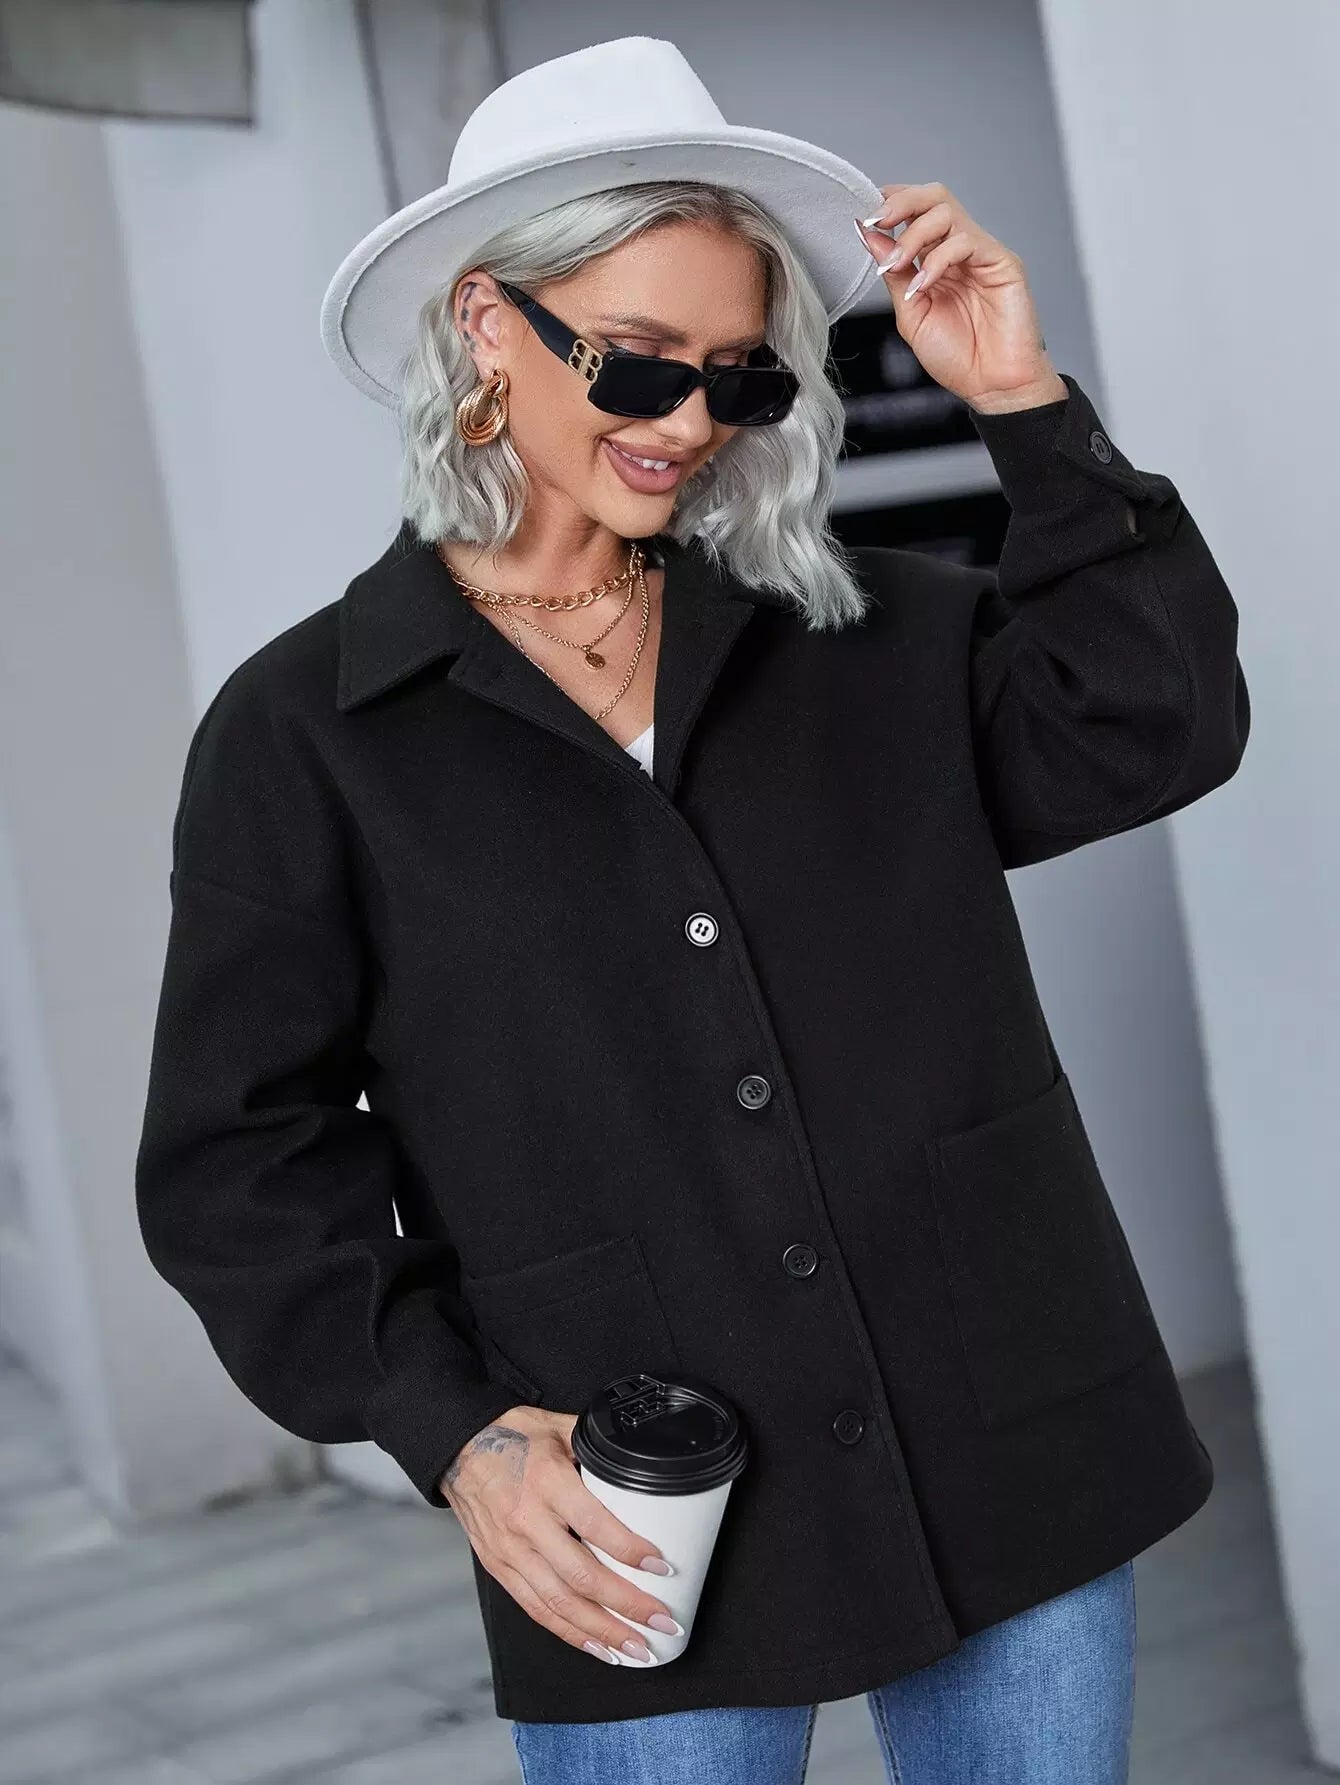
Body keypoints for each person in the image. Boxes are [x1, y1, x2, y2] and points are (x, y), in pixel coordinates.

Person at [134, 34, 1250, 1785]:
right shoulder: (306, 737)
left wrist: (1025, 405)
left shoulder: (868, 637)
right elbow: (238, 1160)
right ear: (488, 325)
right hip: (639, 1506)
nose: (686, 426)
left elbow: (1156, 718)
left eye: (738, 380)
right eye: (641, 363)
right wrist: (459, 1433)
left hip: (1005, 1431)